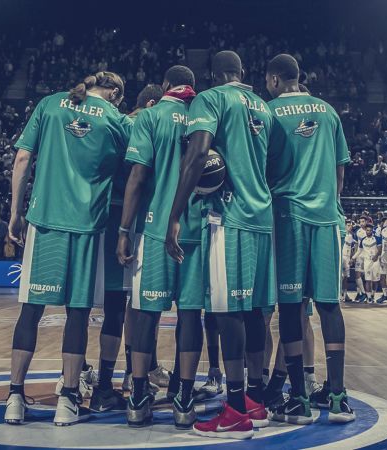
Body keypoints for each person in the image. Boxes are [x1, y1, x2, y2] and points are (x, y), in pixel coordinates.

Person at [4, 71, 131, 427]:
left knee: (30, 311)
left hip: (44, 220)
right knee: (78, 314)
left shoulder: (49, 104)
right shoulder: (117, 120)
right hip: (88, 226)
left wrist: (15, 213)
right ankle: (68, 399)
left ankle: (14, 397)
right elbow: (136, 172)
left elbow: (22, 159)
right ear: (115, 93)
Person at [165, 51, 275, 439]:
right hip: (263, 216)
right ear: (242, 73)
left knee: (228, 313)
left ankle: (235, 410)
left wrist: (175, 213)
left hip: (230, 216)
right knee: (255, 312)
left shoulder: (210, 99)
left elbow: (198, 153)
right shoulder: (263, 106)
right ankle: (255, 401)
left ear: (213, 76)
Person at [266, 54, 355, 424]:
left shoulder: (269, 112)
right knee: (329, 306)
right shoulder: (328, 111)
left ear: (274, 79)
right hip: (326, 218)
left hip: (288, 217)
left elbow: (263, 170)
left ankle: (299, 400)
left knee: (291, 307)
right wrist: (328, 203)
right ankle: (337, 398)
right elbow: (339, 171)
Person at [117, 66, 202, 428]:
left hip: (155, 228)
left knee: (145, 313)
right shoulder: (205, 115)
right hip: (195, 228)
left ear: (165, 86)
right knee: (190, 315)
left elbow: (137, 177)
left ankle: (138, 395)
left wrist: (124, 229)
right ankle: (183, 398)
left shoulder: (150, 117)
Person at [109, 84, 171, 399]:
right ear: (151, 104)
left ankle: (144, 368)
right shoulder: (138, 124)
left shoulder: (126, 122)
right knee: (137, 302)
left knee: (136, 302)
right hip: (133, 217)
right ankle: (133, 374)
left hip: (122, 214)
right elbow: (138, 175)